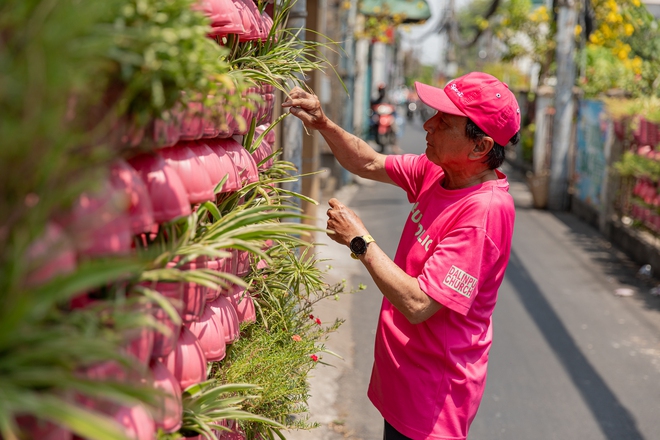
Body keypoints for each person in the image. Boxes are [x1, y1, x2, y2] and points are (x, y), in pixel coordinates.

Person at [282, 72, 521, 440]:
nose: (428, 124)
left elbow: (419, 303)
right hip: (404, 378)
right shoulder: (438, 172)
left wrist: (359, 242)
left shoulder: (484, 212)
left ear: (480, 147)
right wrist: (323, 123)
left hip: (433, 397)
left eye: (444, 122)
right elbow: (369, 162)